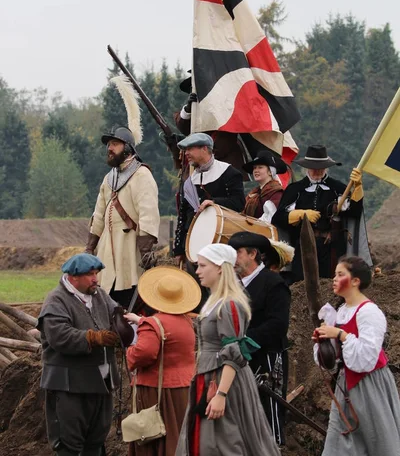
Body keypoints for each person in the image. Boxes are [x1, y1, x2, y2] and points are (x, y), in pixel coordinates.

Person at [176, 243, 280, 456]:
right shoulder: (213, 303)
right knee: (207, 442)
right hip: (208, 377)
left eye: (203, 266)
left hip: (223, 381)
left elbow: (234, 353)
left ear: (220, 268)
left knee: (225, 442)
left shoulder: (229, 304)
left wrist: (221, 394)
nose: (197, 271)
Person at [313, 256, 400, 455]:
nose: (334, 279)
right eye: (335, 274)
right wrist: (324, 344)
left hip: (370, 385)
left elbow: (367, 358)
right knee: (339, 444)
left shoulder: (369, 312)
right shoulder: (339, 311)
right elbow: (335, 360)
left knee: (378, 442)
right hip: (346, 386)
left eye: (340, 274)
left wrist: (341, 335)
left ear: (355, 281)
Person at [37, 253, 120, 456]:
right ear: (73, 277)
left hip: (101, 382)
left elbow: (117, 314)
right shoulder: (56, 300)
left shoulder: (99, 295)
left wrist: (125, 326)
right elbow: (60, 337)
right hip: (69, 385)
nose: (95, 279)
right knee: (69, 444)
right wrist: (93, 338)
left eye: (96, 273)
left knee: (96, 441)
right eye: (90, 274)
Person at [124, 266, 201, 456]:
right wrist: (142, 322)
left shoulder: (153, 324)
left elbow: (144, 353)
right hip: (183, 387)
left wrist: (128, 352)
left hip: (157, 391)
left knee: (154, 437)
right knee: (178, 435)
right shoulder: (185, 321)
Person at [86, 125, 160, 309]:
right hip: (106, 248)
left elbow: (148, 215)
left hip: (130, 248)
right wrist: (89, 249)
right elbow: (98, 215)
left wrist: (145, 253)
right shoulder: (108, 178)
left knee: (130, 299)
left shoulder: (142, 174)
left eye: (115, 144)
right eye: (109, 144)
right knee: (105, 299)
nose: (109, 148)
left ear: (127, 148)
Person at [228, 231, 292, 445]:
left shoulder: (274, 283)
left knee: (269, 408)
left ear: (253, 254)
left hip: (268, 356)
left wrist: (247, 339)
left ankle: (274, 447)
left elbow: (278, 324)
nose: (233, 258)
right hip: (238, 356)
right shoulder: (233, 284)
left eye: (237, 253)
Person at [272, 144, 370, 283]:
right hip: (303, 246)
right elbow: (278, 218)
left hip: (332, 249)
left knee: (331, 283)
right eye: (313, 167)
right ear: (307, 167)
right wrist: (300, 214)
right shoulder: (295, 190)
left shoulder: (339, 188)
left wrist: (358, 188)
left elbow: (354, 213)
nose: (317, 171)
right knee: (302, 284)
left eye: (321, 167)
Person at [173, 132, 245, 259]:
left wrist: (214, 203)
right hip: (193, 246)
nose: (186, 153)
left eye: (190, 148)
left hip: (221, 244)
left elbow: (238, 203)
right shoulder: (189, 181)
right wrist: (179, 249)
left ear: (204, 149)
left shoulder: (229, 173)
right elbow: (183, 217)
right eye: (185, 150)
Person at [242, 150, 287, 223]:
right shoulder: (254, 193)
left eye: (260, 167)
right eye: (254, 168)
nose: (256, 170)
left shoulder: (276, 193)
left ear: (270, 172)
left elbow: (270, 219)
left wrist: (251, 225)